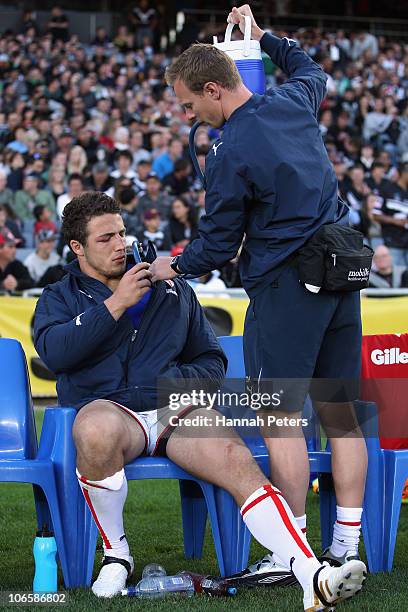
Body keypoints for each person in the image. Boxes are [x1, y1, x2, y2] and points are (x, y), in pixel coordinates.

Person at [33, 191, 366, 608]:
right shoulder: (59, 296)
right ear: (77, 248)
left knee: (233, 456)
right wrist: (116, 304)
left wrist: (172, 384)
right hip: (109, 408)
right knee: (94, 426)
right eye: (105, 239)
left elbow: (211, 361)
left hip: (173, 406)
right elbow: (56, 353)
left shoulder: (171, 288)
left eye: (121, 233)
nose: (120, 245)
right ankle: (116, 553)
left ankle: (309, 572)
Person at [151, 3, 368, 581]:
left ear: (215, 88)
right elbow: (311, 69)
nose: (187, 114)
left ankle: (289, 550)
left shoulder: (228, 151)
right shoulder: (292, 101)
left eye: (188, 103)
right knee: (341, 415)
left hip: (287, 286)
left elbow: (217, 244)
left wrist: (174, 266)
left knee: (282, 420)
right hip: (341, 274)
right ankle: (346, 545)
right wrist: (265, 36)